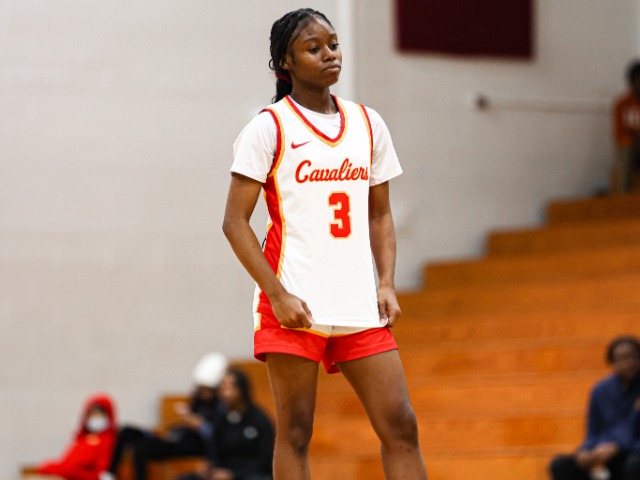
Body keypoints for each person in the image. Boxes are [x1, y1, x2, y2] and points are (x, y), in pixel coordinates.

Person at [222, 8, 428, 480]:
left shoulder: (368, 123)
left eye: (333, 44)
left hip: (357, 302)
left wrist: (386, 282)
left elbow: (379, 214)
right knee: (295, 433)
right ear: (285, 62)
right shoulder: (269, 127)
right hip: (294, 302)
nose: (330, 54)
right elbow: (234, 223)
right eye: (313, 48)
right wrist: (277, 295)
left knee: (401, 424)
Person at [100, 352, 227, 480]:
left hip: (189, 445)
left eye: (206, 390)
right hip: (175, 438)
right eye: (201, 389)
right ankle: (108, 474)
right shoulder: (197, 402)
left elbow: (218, 437)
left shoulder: (221, 407)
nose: (203, 393)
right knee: (127, 431)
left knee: (141, 448)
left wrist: (199, 425)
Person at [549, 336, 640, 480]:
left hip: (633, 455)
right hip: (607, 457)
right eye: (622, 358)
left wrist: (619, 447)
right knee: (561, 465)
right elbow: (593, 431)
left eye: (634, 357)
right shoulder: (600, 390)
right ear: (612, 362)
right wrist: (586, 450)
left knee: (635, 464)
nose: (629, 363)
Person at [178, 368, 274, 480]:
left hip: (249, 473)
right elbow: (213, 451)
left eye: (227, 387)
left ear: (241, 390)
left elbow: (264, 460)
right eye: (221, 388)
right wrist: (209, 467)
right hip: (222, 472)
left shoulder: (259, 419)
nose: (223, 393)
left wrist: (233, 474)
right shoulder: (219, 419)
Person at [31, 394, 117, 480]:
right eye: (92, 414)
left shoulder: (108, 442)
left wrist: (67, 472)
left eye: (98, 414)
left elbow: (99, 474)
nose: (95, 418)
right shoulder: (82, 439)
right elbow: (67, 464)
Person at [611, 59, 640, 193]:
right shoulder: (622, 104)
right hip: (630, 144)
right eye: (637, 79)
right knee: (625, 150)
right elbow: (619, 133)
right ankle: (624, 194)